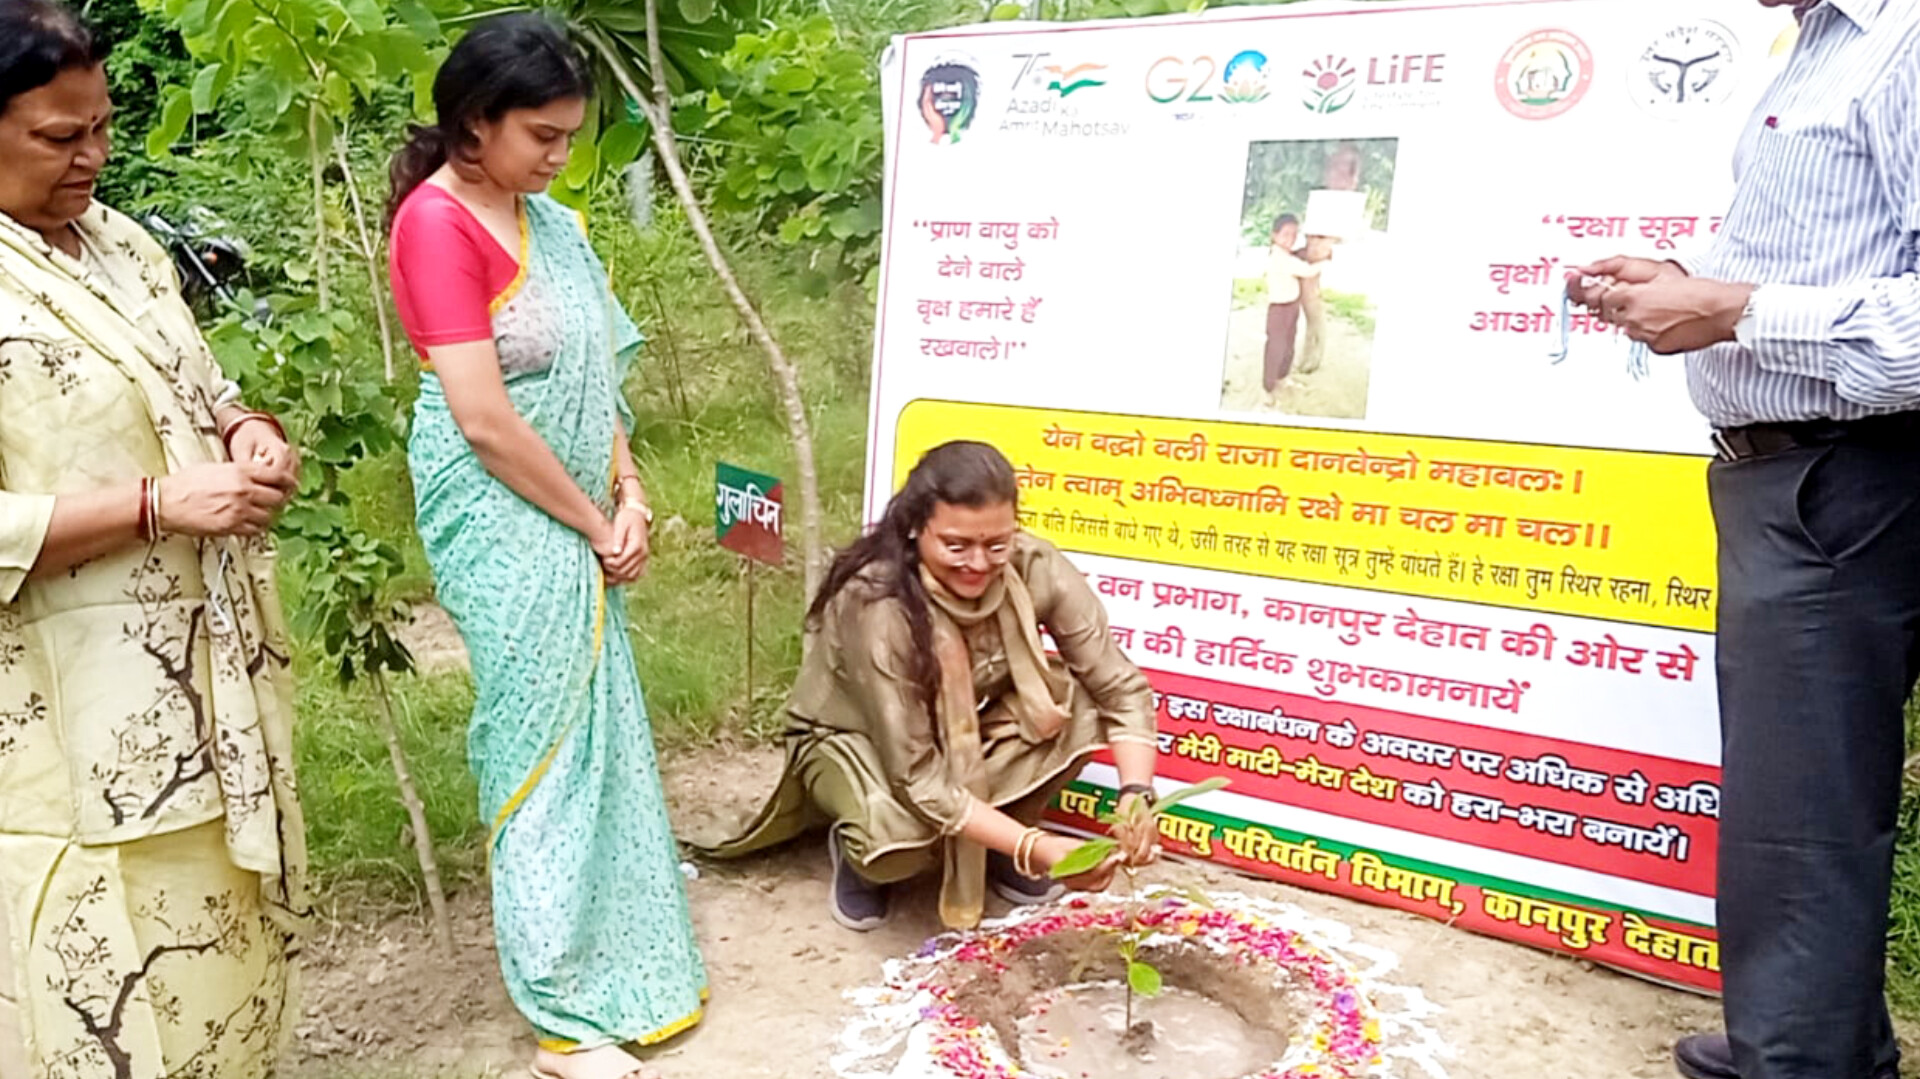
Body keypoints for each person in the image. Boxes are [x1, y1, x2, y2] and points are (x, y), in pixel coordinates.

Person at [1567, 3, 1920, 1077]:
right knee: (1801, 794)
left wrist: (1734, 311)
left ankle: (1800, 1057)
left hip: (1848, 473)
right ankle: (1818, 1031)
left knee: (1802, 810)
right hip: (1808, 469)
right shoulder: (1832, 45)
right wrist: (1696, 288)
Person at [385, 14, 704, 1079]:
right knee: (540, 746)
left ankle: (623, 949)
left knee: (602, 728)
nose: (560, 155)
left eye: (570, 135)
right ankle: (564, 1012)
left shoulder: (549, 220)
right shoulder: (438, 227)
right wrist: (590, 519)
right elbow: (483, 417)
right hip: (500, 507)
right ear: (474, 123)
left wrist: (631, 489)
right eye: (541, 135)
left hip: (575, 495)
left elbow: (595, 370)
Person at [0, 2, 308, 1077]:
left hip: (210, 689)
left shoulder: (122, 242)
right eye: (57, 136)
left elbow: (197, 381)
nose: (90, 156)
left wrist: (248, 430)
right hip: (63, 726)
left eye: (100, 127)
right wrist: (152, 506)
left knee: (225, 962)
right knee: (105, 994)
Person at [702, 441, 1160, 931]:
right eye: (956, 546)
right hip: (852, 739)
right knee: (901, 843)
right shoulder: (877, 604)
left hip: (952, 735)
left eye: (996, 544)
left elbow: (1119, 688)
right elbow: (918, 776)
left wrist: (1136, 794)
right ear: (917, 528)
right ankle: (861, 858)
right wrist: (1039, 848)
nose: (979, 564)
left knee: (1079, 703)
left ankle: (997, 844)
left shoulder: (1034, 567)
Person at [1261, 214, 1327, 393]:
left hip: (1290, 307)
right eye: (1286, 234)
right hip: (1279, 310)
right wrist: (1324, 262)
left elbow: (1297, 257)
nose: (1290, 238)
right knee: (1276, 348)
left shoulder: (1285, 254)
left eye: (1294, 234)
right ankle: (1269, 387)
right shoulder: (1280, 258)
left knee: (1288, 345)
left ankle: (1283, 377)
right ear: (1274, 235)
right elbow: (1307, 270)